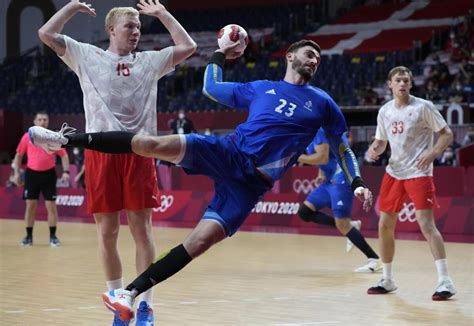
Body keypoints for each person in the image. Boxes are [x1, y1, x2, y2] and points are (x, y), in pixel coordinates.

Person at [29, 39, 373, 323]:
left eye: (318, 57)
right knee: (150, 143)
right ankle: (64, 140)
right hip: (226, 151)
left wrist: (356, 179)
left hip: (249, 186)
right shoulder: (261, 88)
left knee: (199, 242)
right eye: (308, 53)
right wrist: (220, 52)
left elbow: (342, 147)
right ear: (290, 56)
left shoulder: (324, 103)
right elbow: (211, 87)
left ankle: (129, 294)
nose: (314, 60)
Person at [37, 1, 196, 324]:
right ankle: (116, 302)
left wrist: (162, 14)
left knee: (142, 230)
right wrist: (70, 8)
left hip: (140, 152)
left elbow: (188, 46)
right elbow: (46, 33)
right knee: (107, 232)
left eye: (138, 27)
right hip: (100, 155)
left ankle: (144, 305)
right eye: (130, 26)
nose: (136, 32)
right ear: (111, 30)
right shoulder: (86, 55)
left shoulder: (150, 61)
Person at [367, 66, 457, 300]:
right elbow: (381, 141)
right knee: (384, 225)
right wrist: (374, 149)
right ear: (390, 84)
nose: (403, 84)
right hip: (394, 172)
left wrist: (433, 153)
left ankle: (445, 281)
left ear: (410, 84)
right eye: (398, 80)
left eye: (406, 80)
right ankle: (387, 279)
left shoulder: (423, 107)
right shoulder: (385, 111)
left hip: (419, 172)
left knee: (426, 225)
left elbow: (447, 134)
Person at [297, 128, 381, 272]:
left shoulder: (320, 129)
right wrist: (321, 172)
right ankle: (352, 225)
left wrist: (297, 156)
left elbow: (322, 157)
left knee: (342, 224)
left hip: (342, 177)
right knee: (305, 212)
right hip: (329, 180)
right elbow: (327, 157)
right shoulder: (311, 132)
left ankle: (374, 260)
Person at [13, 112, 70, 247]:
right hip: (31, 175)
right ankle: (28, 237)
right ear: (34, 121)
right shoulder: (27, 137)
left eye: (45, 119)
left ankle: (53, 237)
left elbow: (64, 155)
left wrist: (66, 171)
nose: (42, 122)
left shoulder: (53, 137)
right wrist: (16, 174)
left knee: (51, 206)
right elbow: (18, 156)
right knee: (30, 206)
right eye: (40, 119)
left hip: (49, 175)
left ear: (48, 121)